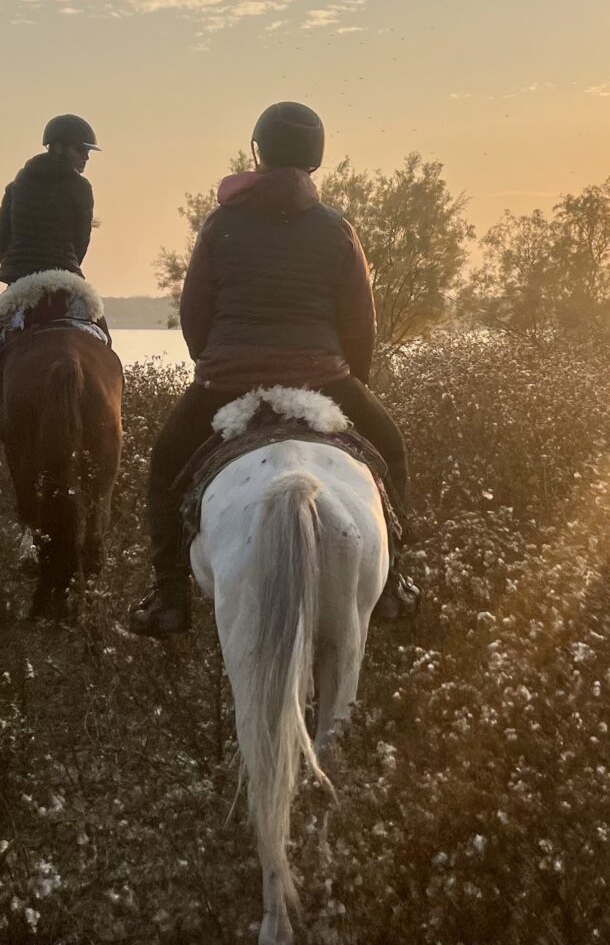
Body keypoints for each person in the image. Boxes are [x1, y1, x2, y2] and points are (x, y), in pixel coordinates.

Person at [128, 101, 417, 638]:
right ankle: (394, 580)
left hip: (228, 381)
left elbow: (195, 314)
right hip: (323, 378)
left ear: (258, 151)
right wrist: (354, 383)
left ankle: (169, 596)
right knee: (392, 448)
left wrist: (214, 365)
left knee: (165, 466)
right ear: (316, 158)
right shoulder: (336, 228)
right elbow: (360, 321)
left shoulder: (221, 224)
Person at [0, 114, 99, 455]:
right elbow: (81, 242)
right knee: (103, 345)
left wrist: (16, 268)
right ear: (62, 148)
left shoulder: (16, 186)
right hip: (67, 281)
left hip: (22, 283)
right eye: (82, 150)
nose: (86, 157)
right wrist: (66, 265)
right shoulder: (81, 187)